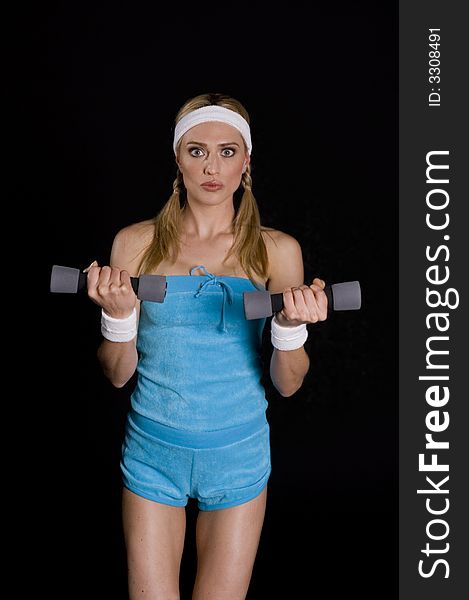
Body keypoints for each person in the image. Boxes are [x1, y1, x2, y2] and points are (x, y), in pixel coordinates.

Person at [85, 92, 328, 599]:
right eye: (196, 150)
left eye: (227, 151)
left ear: (247, 160)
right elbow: (116, 374)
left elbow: (287, 383)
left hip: (237, 455)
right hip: (153, 452)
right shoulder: (134, 244)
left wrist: (289, 325)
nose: (212, 166)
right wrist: (119, 317)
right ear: (177, 158)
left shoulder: (277, 251)